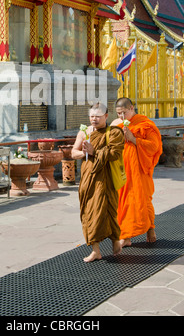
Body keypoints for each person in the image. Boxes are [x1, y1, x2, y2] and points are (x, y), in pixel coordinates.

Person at [71, 102, 125, 262]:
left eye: (98, 116)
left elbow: (115, 153)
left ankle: (115, 239)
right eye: (92, 116)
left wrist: (95, 152)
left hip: (105, 178)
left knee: (107, 210)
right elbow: (74, 152)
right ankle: (96, 250)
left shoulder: (114, 132)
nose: (94, 119)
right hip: (88, 178)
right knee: (90, 212)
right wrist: (84, 153)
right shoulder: (84, 132)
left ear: (106, 116)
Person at [111, 97, 162, 248]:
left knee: (143, 200)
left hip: (140, 169)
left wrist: (133, 139)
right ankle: (126, 236)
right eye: (118, 113)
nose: (121, 117)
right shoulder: (119, 125)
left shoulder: (145, 125)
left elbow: (154, 146)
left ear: (132, 108)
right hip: (123, 170)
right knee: (123, 202)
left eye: (124, 113)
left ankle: (150, 229)